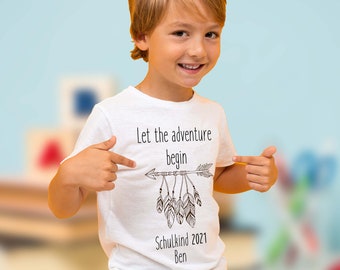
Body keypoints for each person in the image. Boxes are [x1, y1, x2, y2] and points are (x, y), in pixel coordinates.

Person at [48, 0, 278, 269]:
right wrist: (67, 176)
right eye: (181, 33)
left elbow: (215, 176)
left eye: (210, 34)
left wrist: (257, 175)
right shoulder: (111, 115)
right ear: (141, 36)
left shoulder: (212, 113)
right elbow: (62, 208)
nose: (198, 50)